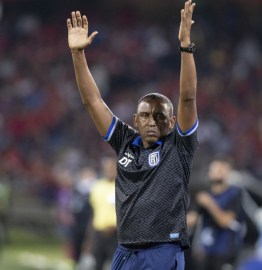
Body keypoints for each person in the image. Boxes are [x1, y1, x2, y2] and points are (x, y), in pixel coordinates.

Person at [67, 1, 198, 269]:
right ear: (135, 120)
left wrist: (185, 46)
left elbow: (187, 98)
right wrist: (78, 54)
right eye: (146, 116)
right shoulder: (125, 141)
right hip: (125, 251)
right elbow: (93, 101)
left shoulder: (178, 145)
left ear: (172, 122)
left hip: (162, 250)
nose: (152, 121)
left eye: (160, 116)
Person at [187, 159, 244, 270]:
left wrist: (210, 204)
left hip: (225, 251)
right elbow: (192, 219)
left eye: (221, 169)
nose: (217, 172)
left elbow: (226, 221)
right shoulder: (205, 195)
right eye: (214, 169)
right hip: (206, 251)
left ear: (228, 173)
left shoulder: (234, 193)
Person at [87, 157, 118, 270]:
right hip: (99, 234)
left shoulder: (123, 186)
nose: (108, 170)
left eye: (111, 167)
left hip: (118, 235)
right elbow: (93, 213)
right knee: (97, 265)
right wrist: (89, 240)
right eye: (106, 167)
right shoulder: (97, 186)